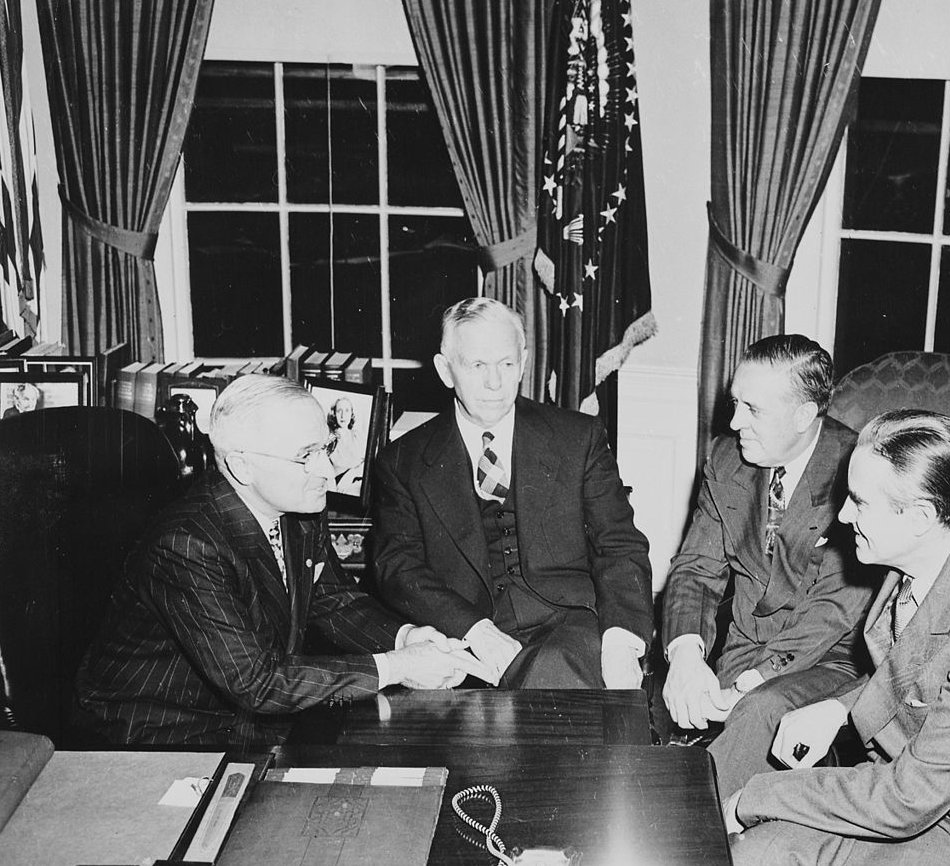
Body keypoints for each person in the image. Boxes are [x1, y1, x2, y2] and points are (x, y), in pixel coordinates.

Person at [724, 409, 950, 865]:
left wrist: (752, 797)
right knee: (753, 853)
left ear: (920, 515)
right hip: (925, 790)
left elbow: (906, 801)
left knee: (761, 849)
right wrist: (839, 707)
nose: (842, 514)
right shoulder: (927, 548)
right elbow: (925, 668)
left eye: (859, 501)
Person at [76, 374, 489, 746]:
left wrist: (407, 638)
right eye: (305, 456)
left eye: (325, 448)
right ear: (241, 466)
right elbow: (255, 682)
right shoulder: (187, 546)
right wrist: (398, 666)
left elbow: (333, 601)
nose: (328, 471)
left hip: (253, 714)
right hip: (163, 731)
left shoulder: (297, 507)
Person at [371, 297, 653, 689]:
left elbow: (620, 546)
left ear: (522, 362)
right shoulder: (404, 460)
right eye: (476, 366)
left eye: (506, 364)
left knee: (553, 672)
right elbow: (397, 567)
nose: (494, 383)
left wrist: (622, 642)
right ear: (445, 370)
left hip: (566, 625)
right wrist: (474, 630)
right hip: (466, 635)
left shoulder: (578, 438)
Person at [660, 334, 873, 797]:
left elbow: (832, 614)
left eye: (753, 409)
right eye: (735, 403)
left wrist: (746, 686)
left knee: (757, 714)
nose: (735, 422)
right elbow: (696, 567)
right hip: (743, 645)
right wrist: (686, 655)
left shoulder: (858, 472)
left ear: (803, 415)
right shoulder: (727, 458)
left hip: (834, 656)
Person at [326, 396, 365, 493]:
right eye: (339, 411)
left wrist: (352, 473)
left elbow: (366, 461)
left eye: (347, 411)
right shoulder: (330, 438)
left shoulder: (357, 435)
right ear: (334, 414)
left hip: (357, 480)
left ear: (351, 414)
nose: (343, 415)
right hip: (338, 486)